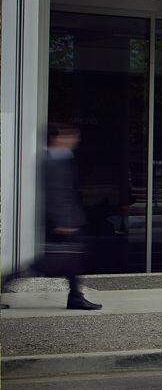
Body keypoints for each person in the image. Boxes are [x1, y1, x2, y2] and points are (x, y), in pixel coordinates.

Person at [1, 123, 101, 310]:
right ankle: (7, 279)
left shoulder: (61, 158)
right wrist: (63, 221)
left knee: (73, 261)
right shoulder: (52, 161)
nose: (75, 140)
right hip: (62, 221)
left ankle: (76, 296)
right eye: (70, 135)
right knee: (48, 264)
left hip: (68, 218)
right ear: (57, 138)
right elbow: (56, 192)